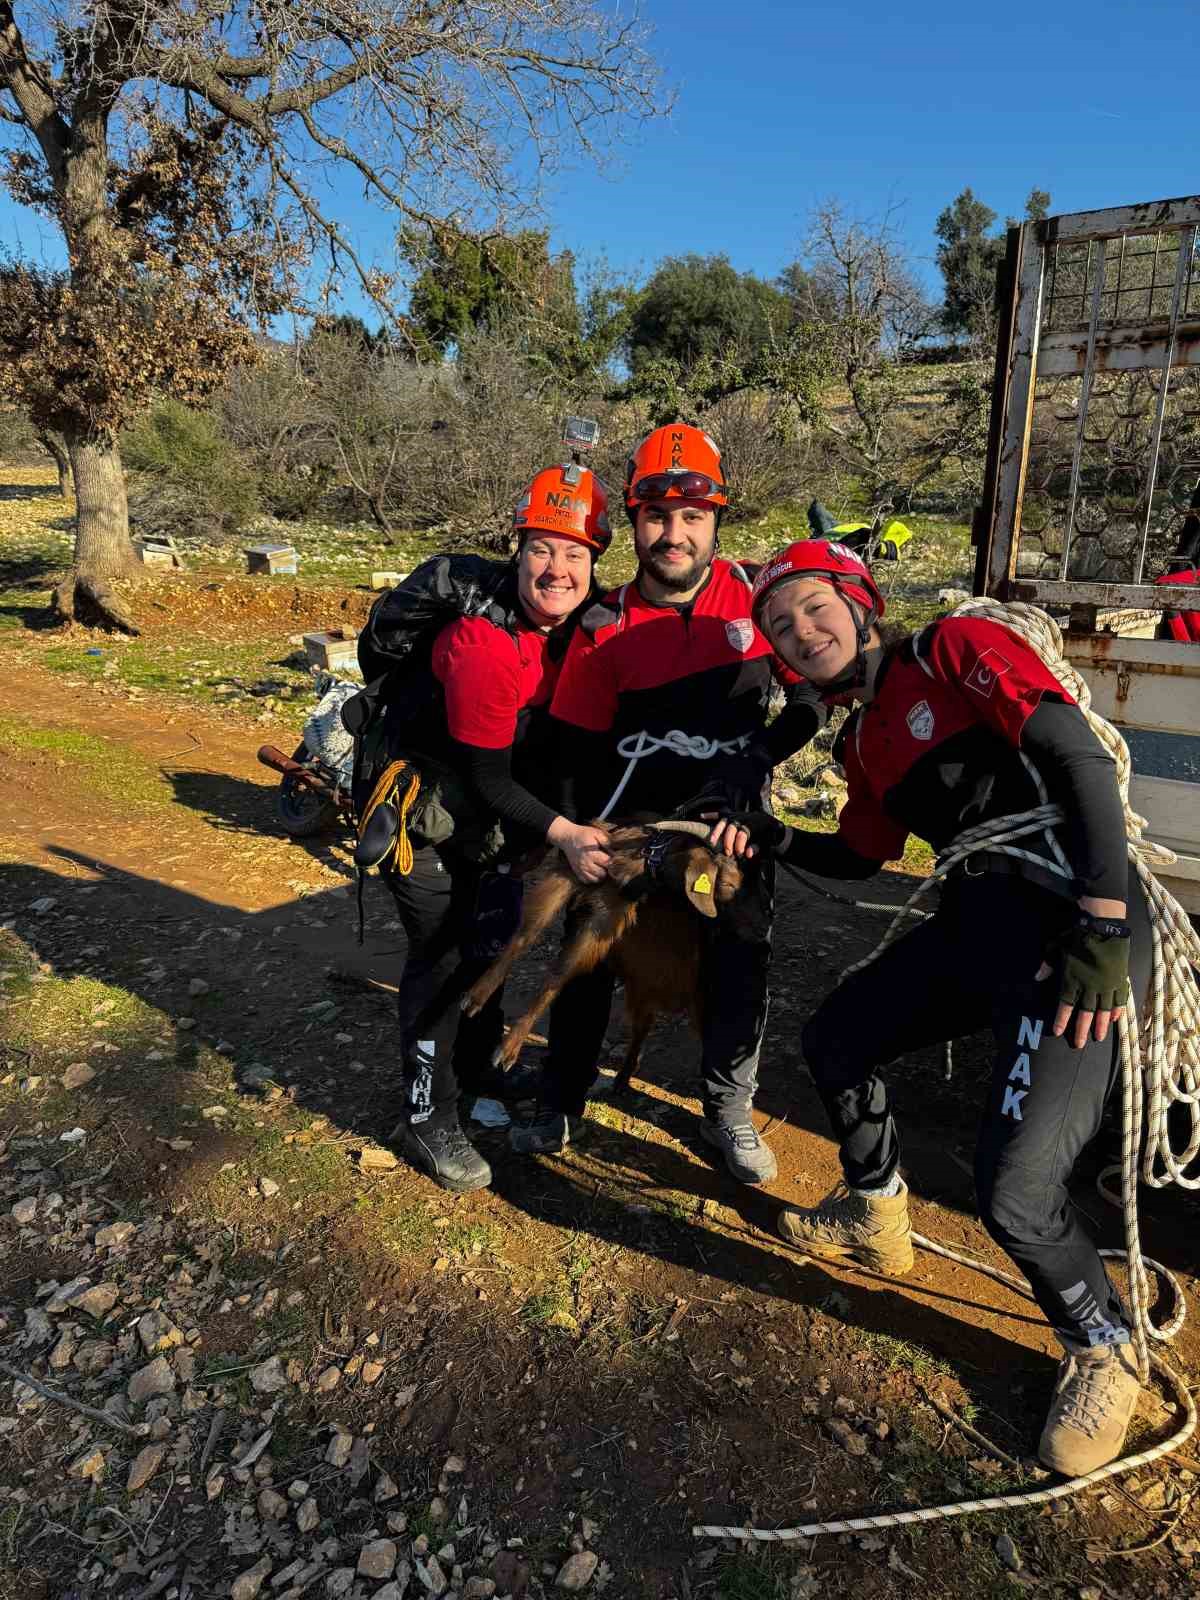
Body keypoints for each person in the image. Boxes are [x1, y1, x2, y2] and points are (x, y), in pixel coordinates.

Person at [707, 538, 1152, 1475]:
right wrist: (771, 835)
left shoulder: (950, 649)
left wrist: (1105, 922)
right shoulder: (862, 739)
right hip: (981, 922)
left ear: (860, 603)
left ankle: (1105, 1346)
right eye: (783, 626)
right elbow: (860, 857)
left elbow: (1075, 753)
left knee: (1015, 1191)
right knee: (835, 1039)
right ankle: (877, 1216)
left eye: (816, 607)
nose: (803, 631)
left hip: (1069, 925)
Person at [508, 424, 825, 1183]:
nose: (674, 534)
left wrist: (756, 758)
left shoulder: (757, 602)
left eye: (692, 516)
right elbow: (576, 752)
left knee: (740, 956)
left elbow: (811, 697)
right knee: (586, 947)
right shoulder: (601, 624)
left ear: (717, 520)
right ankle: (562, 1093)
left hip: (726, 828)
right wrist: (571, 839)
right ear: (634, 520)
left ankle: (726, 1109)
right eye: (656, 516)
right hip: (630, 828)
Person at [384, 464, 614, 1193]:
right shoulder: (485, 645)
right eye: (543, 549)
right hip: (424, 823)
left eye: (576, 553)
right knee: (445, 962)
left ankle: (477, 1073)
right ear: (516, 551)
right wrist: (568, 833)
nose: (558, 568)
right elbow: (490, 779)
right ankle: (426, 1116)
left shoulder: (568, 628)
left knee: (487, 943)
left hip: (476, 822)